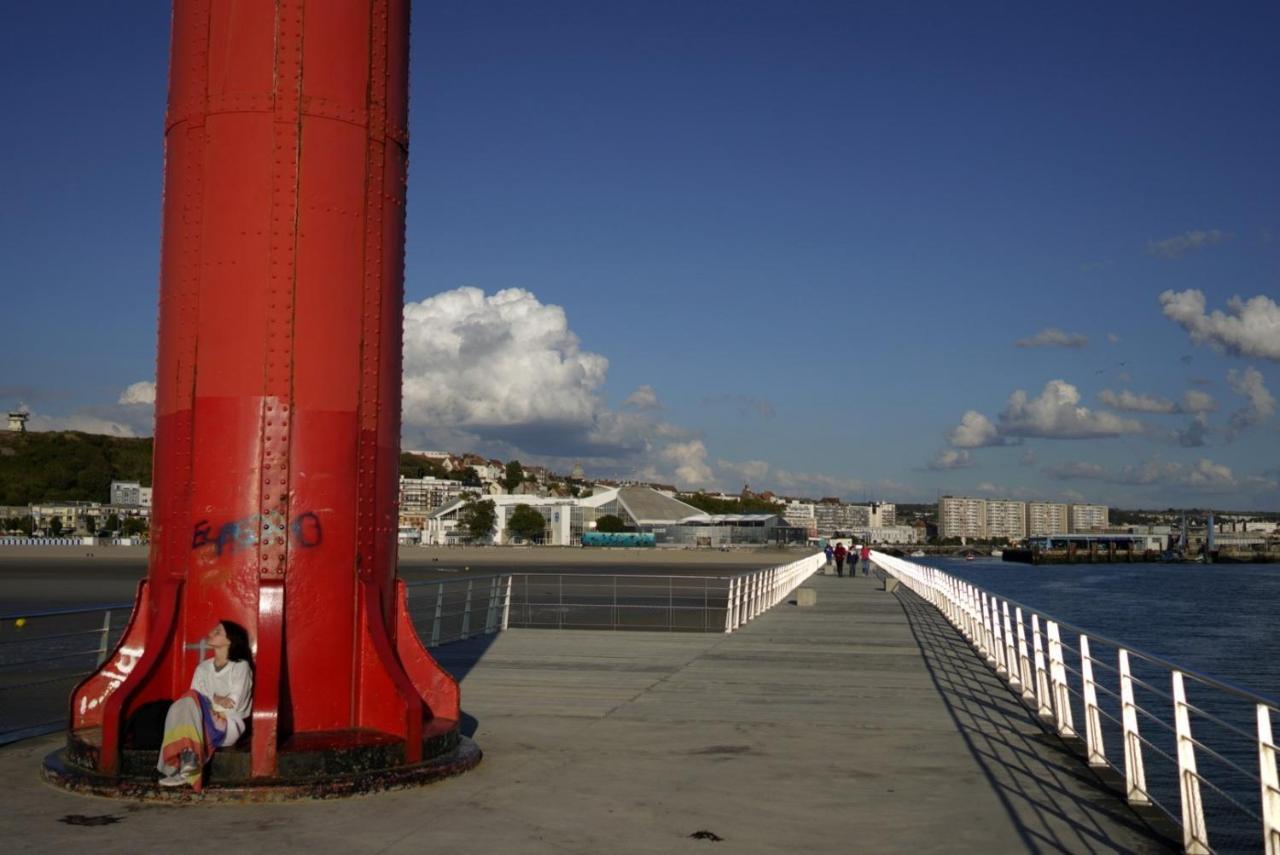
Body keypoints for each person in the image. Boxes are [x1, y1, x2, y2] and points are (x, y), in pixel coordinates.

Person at [157, 620, 253, 790]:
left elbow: (234, 704)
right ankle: (188, 764)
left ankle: (181, 766)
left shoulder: (240, 667)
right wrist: (216, 698)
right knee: (181, 704)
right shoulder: (203, 668)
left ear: (229, 640)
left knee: (188, 700)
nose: (211, 633)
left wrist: (209, 702)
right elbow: (193, 699)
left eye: (218, 632)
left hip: (228, 725)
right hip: (202, 722)